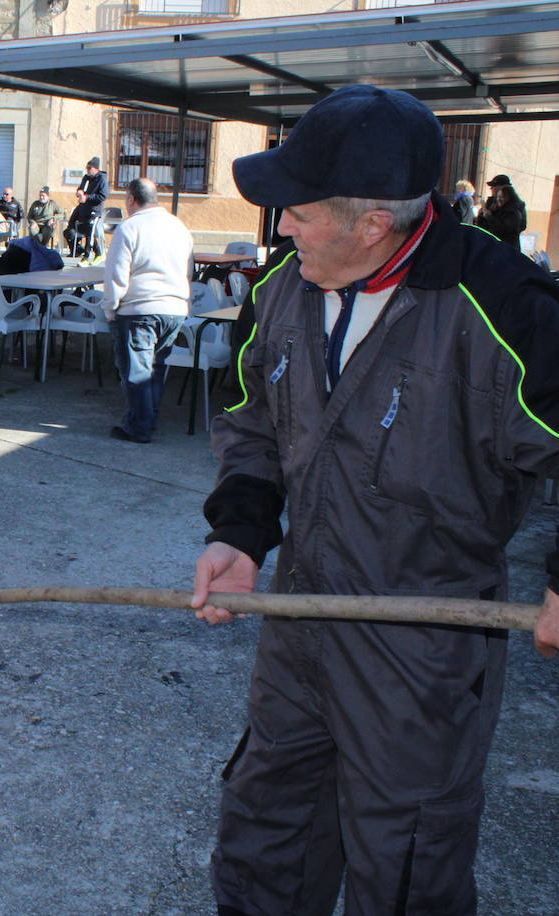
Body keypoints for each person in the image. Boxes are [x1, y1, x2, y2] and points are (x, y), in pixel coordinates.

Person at [189, 84, 559, 916]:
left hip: (422, 647)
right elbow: (252, 421)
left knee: (406, 863)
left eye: (298, 210)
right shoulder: (282, 288)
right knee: (264, 829)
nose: (280, 226)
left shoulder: (504, 309)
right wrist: (242, 535)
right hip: (299, 626)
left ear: (371, 224)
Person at [100, 177, 192, 443]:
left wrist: (110, 308)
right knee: (156, 368)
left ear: (131, 199)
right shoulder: (178, 226)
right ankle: (147, 419)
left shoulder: (130, 227)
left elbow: (117, 273)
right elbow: (188, 269)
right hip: (174, 308)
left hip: (140, 308)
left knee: (137, 371)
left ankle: (138, 427)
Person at [64, 157, 108, 261]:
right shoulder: (86, 178)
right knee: (75, 228)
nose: (87, 170)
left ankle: (87, 257)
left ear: (96, 168)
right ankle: (97, 253)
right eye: (86, 168)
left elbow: (102, 196)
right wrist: (79, 191)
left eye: (89, 168)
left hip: (94, 210)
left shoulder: (102, 179)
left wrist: (87, 197)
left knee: (90, 231)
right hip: (83, 209)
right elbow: (81, 188)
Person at [476, 173, 527, 249]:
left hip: (506, 248)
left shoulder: (515, 207)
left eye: (494, 186)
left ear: (503, 187)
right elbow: (483, 227)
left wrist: (490, 217)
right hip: (490, 245)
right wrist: (481, 216)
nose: (491, 189)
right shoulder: (491, 203)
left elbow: (510, 230)